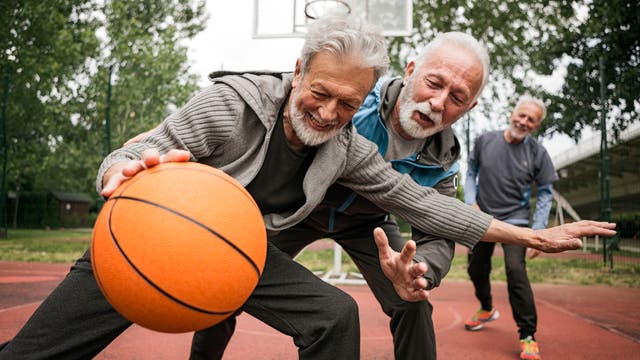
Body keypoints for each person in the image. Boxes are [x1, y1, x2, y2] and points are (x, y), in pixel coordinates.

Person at [0, 14, 614, 360]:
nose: (327, 112)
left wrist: (529, 234)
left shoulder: (352, 148)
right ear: (297, 71)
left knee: (336, 313)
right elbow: (138, 147)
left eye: (347, 104)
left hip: (278, 241)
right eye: (319, 94)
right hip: (161, 238)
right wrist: (118, 170)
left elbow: (424, 205)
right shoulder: (230, 104)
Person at [189, 31, 491, 360]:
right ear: (410, 71)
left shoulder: (443, 159)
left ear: (470, 107)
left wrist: (423, 269)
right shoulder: (354, 95)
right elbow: (299, 88)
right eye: (434, 83)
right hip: (301, 209)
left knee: (413, 302)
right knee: (232, 276)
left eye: (457, 98)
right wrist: (181, 133)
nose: (438, 102)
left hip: (368, 224)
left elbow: (440, 227)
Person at [463, 96, 558, 360]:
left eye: (531, 120)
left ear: (535, 126)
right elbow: (470, 171)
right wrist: (470, 201)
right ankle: (486, 308)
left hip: (515, 220)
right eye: (522, 115)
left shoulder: (538, 152)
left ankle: (527, 334)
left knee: (516, 271)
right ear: (512, 113)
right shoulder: (485, 140)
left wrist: (538, 231)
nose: (524, 121)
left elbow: (547, 192)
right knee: (475, 268)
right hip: (483, 217)